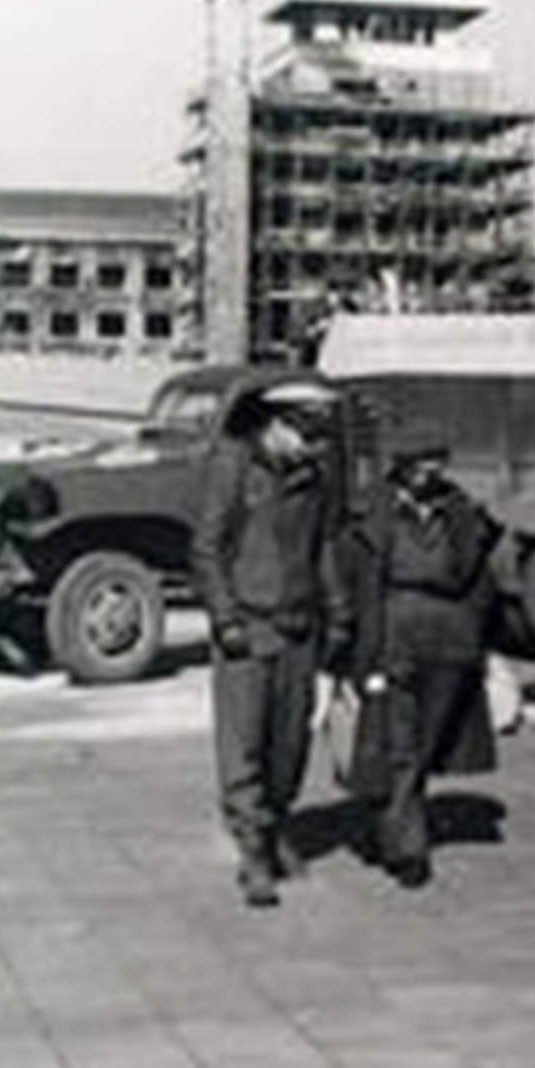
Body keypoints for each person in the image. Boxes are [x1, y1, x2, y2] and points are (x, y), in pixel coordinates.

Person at [336, 417, 501, 888]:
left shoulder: (460, 510)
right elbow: (349, 581)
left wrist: (481, 637)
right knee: (401, 747)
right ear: (403, 466)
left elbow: (479, 578)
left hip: (450, 644)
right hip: (391, 641)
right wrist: (349, 650)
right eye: (424, 463)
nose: (433, 472)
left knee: (425, 747)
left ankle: (390, 823)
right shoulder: (372, 512)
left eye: (439, 462)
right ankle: (409, 850)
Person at [192, 382, 338, 908]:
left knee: (289, 748)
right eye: (303, 433)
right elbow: (207, 549)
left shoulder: (313, 476)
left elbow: (322, 547)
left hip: (299, 628)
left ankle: (276, 824)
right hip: (247, 633)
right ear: (274, 424)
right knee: (244, 745)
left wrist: (336, 617)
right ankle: (253, 850)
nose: (310, 446)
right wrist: (224, 618)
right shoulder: (232, 467)